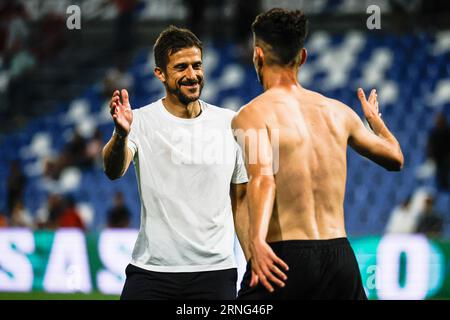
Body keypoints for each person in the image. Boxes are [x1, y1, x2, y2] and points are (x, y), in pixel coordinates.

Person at [232, 8, 404, 300]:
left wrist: (258, 241)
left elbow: (263, 179)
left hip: (284, 257)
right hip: (340, 258)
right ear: (302, 57)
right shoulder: (339, 112)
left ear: (257, 55)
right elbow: (395, 158)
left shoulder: (251, 115)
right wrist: (376, 123)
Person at [102, 26, 249, 300]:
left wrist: (253, 262)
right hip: (151, 272)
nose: (192, 75)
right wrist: (121, 134)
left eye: (197, 65)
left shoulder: (231, 123)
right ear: (160, 73)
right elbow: (113, 170)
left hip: (215, 274)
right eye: (181, 67)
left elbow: (241, 202)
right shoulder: (140, 121)